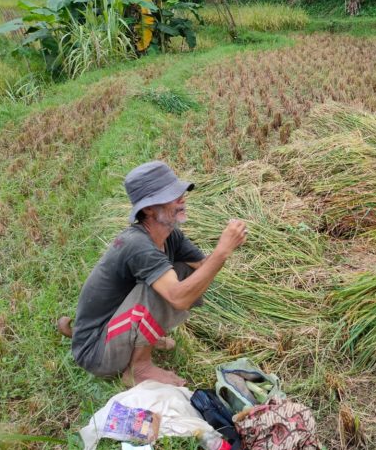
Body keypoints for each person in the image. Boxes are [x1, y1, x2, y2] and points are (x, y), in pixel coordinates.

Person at [59, 161, 247, 387]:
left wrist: (224, 249)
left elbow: (201, 266)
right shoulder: (137, 244)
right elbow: (179, 298)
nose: (182, 198)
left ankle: (139, 339)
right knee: (160, 290)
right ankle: (138, 368)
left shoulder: (170, 235)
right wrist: (222, 251)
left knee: (182, 271)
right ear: (148, 209)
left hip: (111, 329)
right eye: (172, 195)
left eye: (180, 192)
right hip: (96, 352)